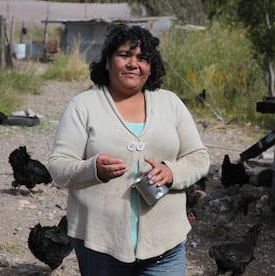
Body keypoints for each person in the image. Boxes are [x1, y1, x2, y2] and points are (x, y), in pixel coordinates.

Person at [48, 24, 210, 276]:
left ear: (151, 66)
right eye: (125, 55)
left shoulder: (170, 104)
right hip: (100, 243)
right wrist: (93, 169)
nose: (133, 64)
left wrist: (172, 172)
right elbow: (59, 167)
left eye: (143, 58)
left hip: (165, 245)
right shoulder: (83, 106)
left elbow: (198, 157)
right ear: (108, 61)